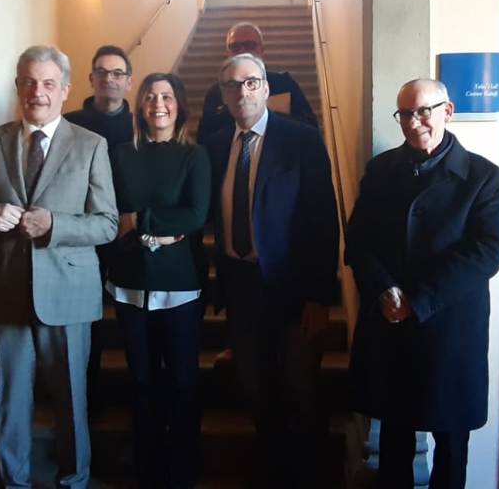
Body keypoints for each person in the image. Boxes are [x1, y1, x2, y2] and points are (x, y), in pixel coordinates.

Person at [346, 79, 499, 489]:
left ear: (447, 111)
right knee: (394, 436)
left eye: (423, 111)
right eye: (405, 113)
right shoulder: (381, 170)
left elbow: (486, 251)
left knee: (451, 443)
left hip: (450, 328)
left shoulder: (484, 176)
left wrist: (417, 300)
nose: (414, 122)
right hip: (390, 322)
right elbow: (359, 239)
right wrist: (383, 289)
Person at [0, 45, 118, 488]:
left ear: (65, 89)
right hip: (7, 291)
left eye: (49, 83)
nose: (38, 92)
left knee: (71, 401)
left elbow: (107, 223)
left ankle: (73, 480)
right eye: (30, 82)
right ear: (18, 86)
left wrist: (55, 225)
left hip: (68, 294)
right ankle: (13, 482)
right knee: (11, 403)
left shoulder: (91, 145)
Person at [202, 53, 339, 485]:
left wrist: (320, 297)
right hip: (241, 288)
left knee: (302, 392)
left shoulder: (302, 140)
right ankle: (272, 473)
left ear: (265, 88)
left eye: (250, 82)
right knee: (256, 391)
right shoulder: (214, 144)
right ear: (223, 95)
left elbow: (322, 220)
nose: (241, 92)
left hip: (292, 288)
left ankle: (312, 477)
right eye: (231, 85)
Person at [108, 72, 210, 488]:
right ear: (140, 106)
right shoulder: (120, 154)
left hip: (179, 284)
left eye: (166, 96)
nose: (158, 104)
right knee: (142, 381)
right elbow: (111, 213)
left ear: (179, 105)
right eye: (150, 97)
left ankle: (183, 470)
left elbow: (195, 216)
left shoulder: (194, 155)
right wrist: (158, 229)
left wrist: (138, 221)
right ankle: (148, 469)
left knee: (183, 380)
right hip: (129, 281)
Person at [64, 44, 134, 416]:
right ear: (91, 79)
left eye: (117, 73)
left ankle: (135, 403)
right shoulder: (68, 124)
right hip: (82, 235)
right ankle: (86, 402)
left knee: (130, 321)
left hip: (128, 235)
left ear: (129, 81)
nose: (110, 79)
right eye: (102, 72)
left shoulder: (141, 124)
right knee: (85, 323)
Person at [197, 21, 318, 142]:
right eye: (235, 47)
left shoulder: (284, 84)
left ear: (262, 50)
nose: (243, 51)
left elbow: (309, 127)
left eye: (250, 45)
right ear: (227, 53)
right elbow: (204, 138)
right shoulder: (217, 92)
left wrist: (265, 116)